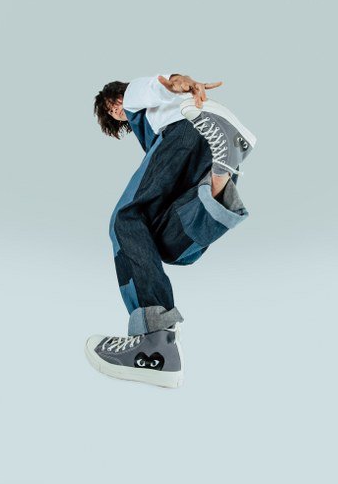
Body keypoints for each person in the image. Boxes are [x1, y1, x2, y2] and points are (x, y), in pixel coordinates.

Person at [85, 73, 257, 388]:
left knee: (126, 220)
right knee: (168, 246)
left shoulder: (134, 95)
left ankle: (153, 338)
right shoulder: (153, 120)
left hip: (181, 134)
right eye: (113, 113)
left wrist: (178, 82)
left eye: (113, 106)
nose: (118, 112)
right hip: (207, 146)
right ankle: (221, 175)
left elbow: (160, 84)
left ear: (117, 98)